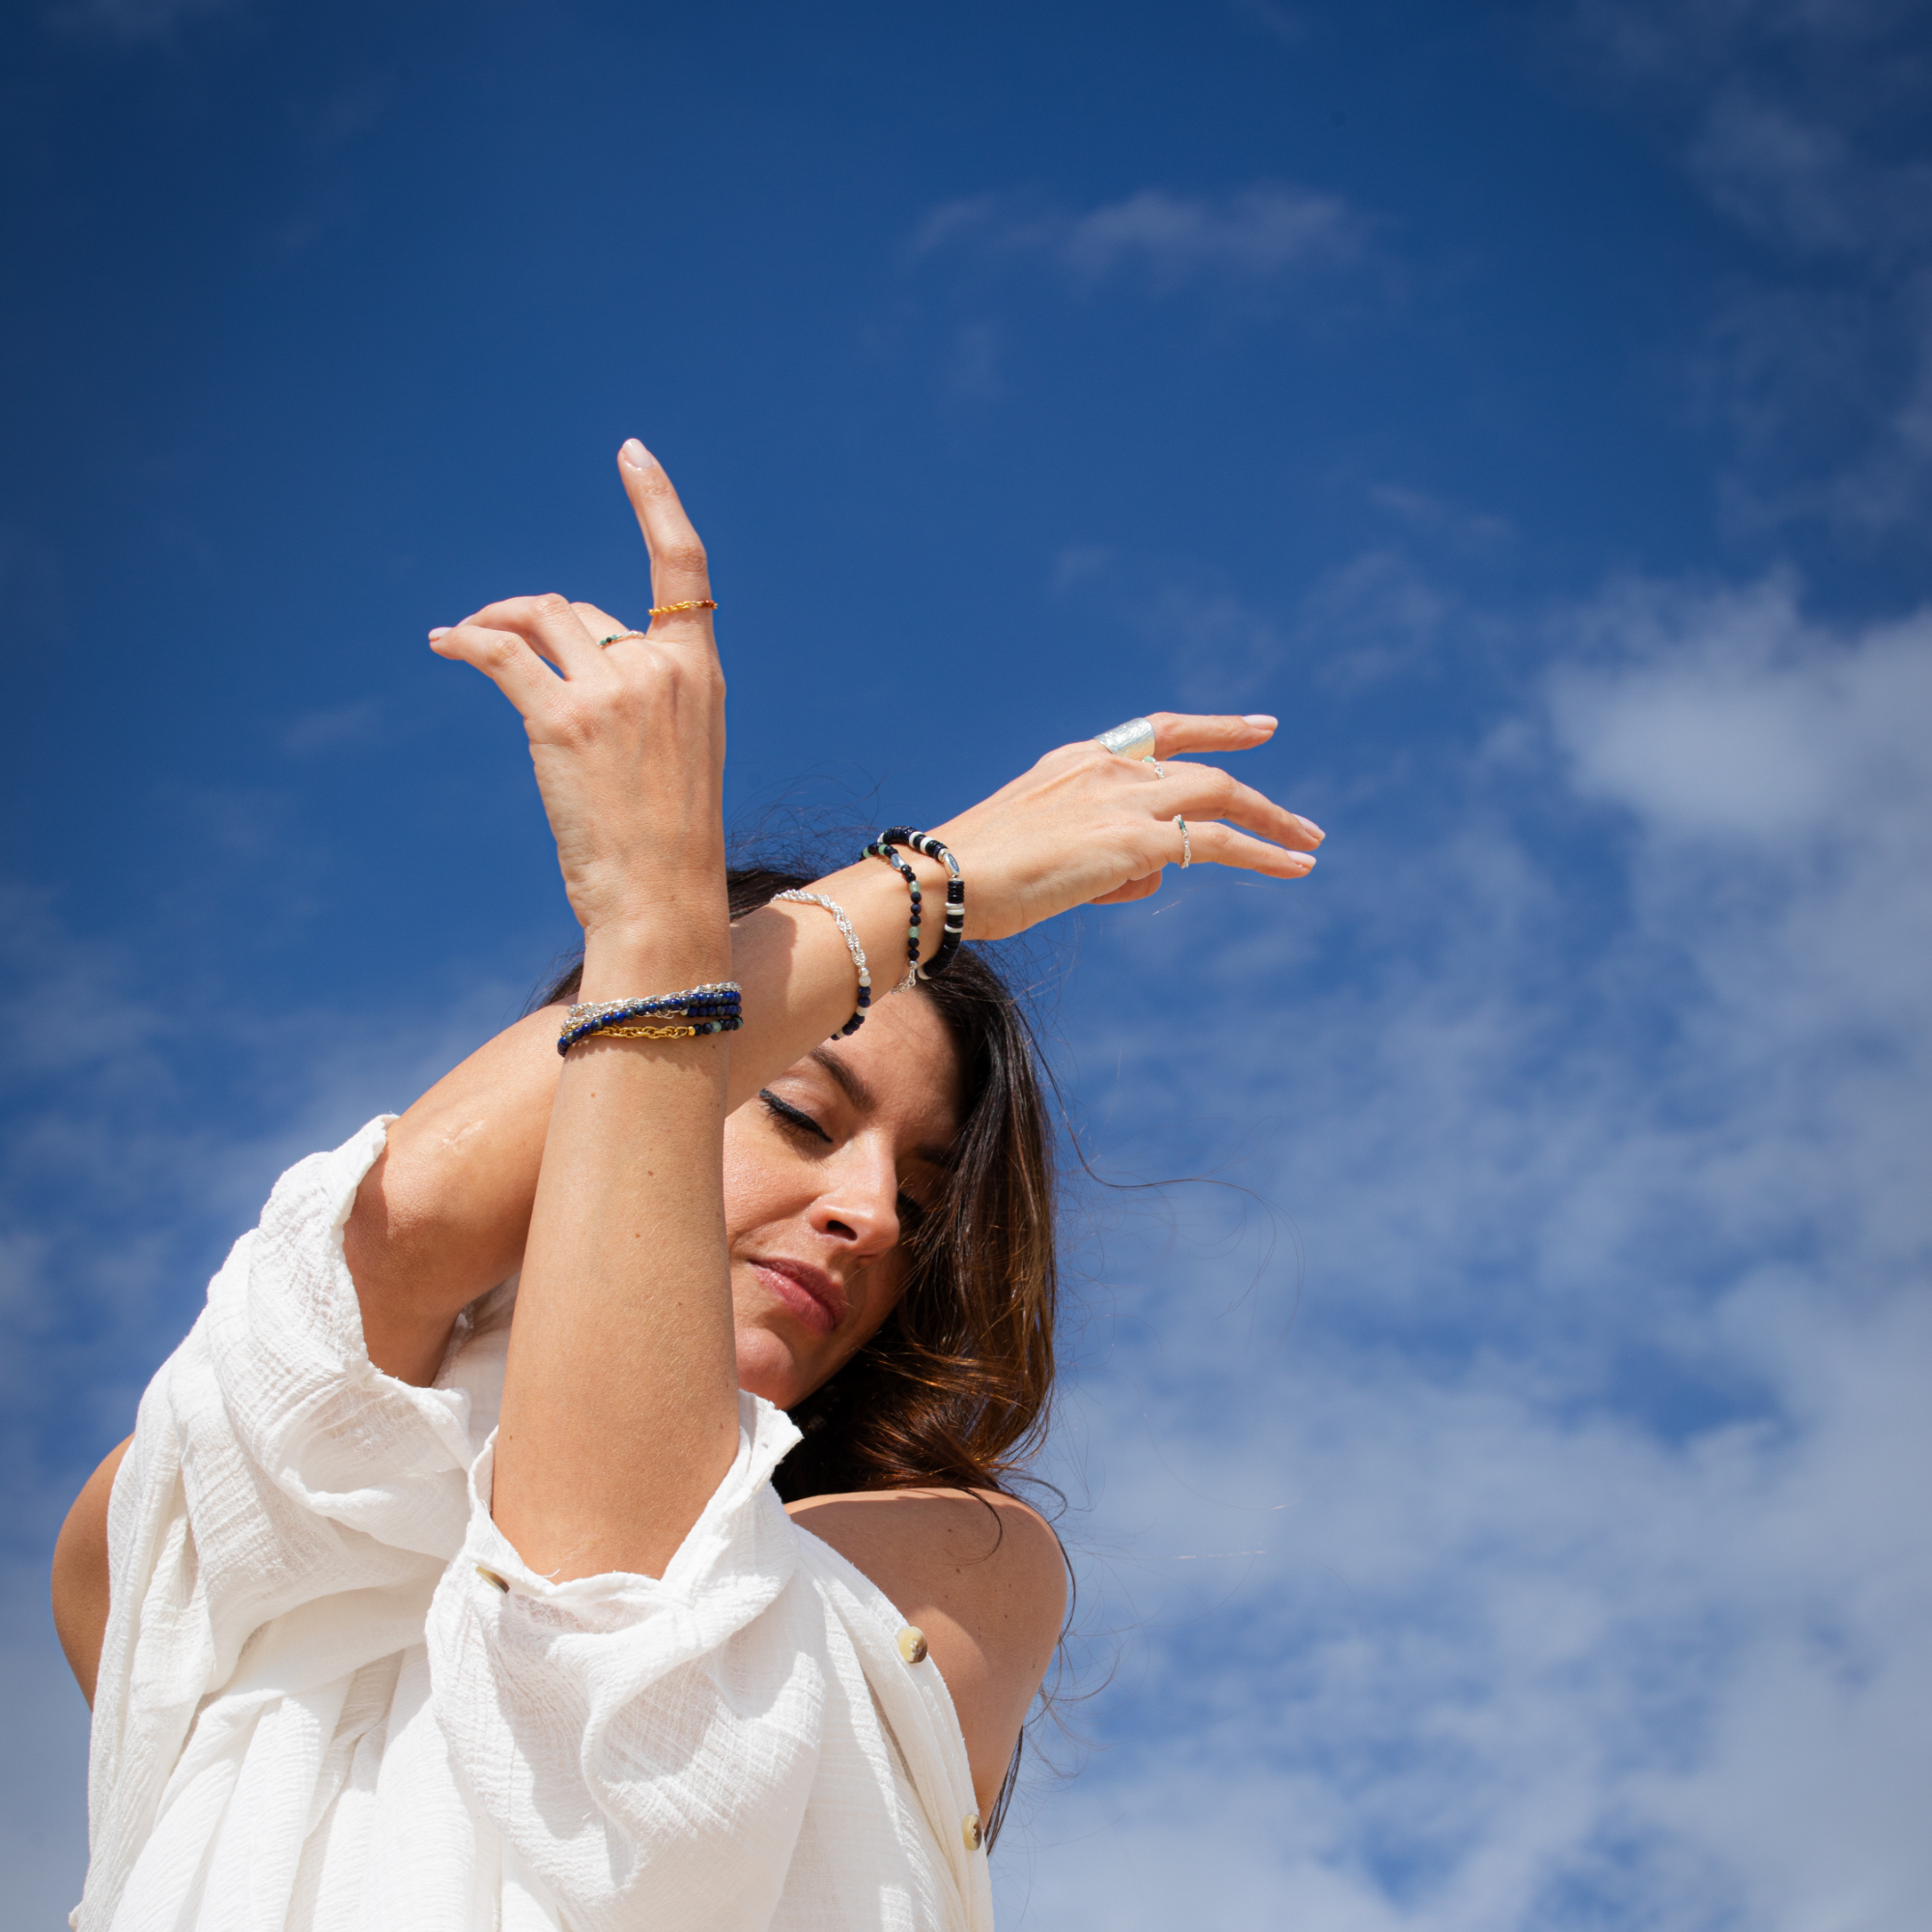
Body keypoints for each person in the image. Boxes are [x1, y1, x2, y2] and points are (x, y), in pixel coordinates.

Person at [50, 439, 1322, 1931]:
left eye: (920, 1197)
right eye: (796, 1111)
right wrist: (935, 880)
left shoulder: (958, 1573)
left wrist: (658, 921)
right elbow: (394, 1239)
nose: (872, 1217)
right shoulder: (183, 1526)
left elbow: (620, 1670)